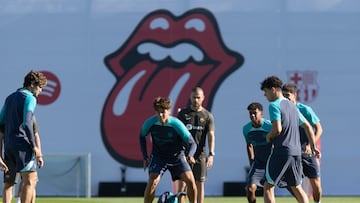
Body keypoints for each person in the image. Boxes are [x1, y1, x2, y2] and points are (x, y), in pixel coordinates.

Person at [260, 75, 320, 203]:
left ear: (273, 89)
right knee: (297, 187)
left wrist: (268, 137)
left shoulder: (274, 105)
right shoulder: (293, 106)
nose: (265, 96)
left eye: (265, 92)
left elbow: (277, 129)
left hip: (282, 151)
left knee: (268, 187)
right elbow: (308, 127)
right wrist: (314, 147)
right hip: (296, 153)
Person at [139, 96, 198, 203]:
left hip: (177, 157)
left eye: (163, 112)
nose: (161, 115)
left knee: (190, 182)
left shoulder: (176, 124)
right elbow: (142, 136)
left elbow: (192, 143)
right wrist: (145, 157)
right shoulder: (150, 123)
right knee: (152, 182)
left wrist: (190, 155)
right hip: (159, 157)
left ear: (169, 111)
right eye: (158, 112)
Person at [0, 70, 46, 203]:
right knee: (31, 180)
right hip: (22, 146)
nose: (41, 91)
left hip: (9, 146)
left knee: (8, 184)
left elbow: (0, 124)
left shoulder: (9, 98)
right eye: (40, 87)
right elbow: (27, 123)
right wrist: (34, 147)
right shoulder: (30, 98)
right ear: (32, 84)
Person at [282, 83, 323, 203]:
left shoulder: (305, 110)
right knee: (288, 182)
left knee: (316, 185)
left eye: (287, 95)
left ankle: (317, 202)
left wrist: (311, 145)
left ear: (294, 95)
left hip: (307, 152)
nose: (285, 98)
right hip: (291, 153)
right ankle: (303, 200)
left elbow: (319, 129)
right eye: (283, 96)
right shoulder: (282, 111)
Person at [177, 87, 215, 203]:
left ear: (203, 98)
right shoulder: (183, 114)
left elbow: (211, 135)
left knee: (199, 184)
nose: (196, 100)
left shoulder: (207, 116)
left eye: (198, 97)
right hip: (184, 155)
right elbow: (177, 135)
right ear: (190, 97)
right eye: (194, 97)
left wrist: (211, 154)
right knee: (182, 185)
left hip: (200, 156)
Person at [242, 102, 272, 203]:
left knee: (292, 187)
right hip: (258, 163)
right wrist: (251, 161)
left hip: (272, 162)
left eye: (255, 113)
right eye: (250, 113)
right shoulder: (246, 129)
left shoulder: (270, 126)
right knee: (250, 189)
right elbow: (249, 145)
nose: (252, 115)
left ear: (261, 113)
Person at [16, 116, 44, 203]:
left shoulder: (31, 116)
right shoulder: (25, 115)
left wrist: (39, 154)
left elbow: (36, 135)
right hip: (24, 152)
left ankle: (19, 200)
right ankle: (19, 200)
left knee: (31, 180)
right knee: (29, 180)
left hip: (26, 153)